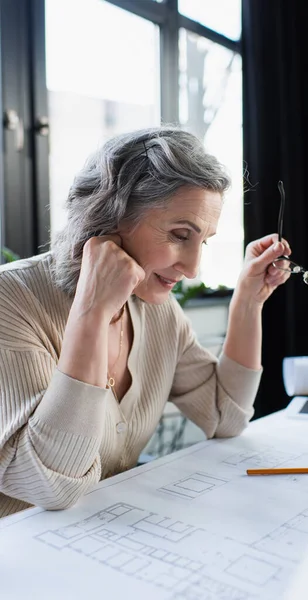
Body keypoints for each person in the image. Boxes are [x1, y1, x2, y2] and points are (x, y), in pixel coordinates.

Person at [0, 127, 291, 518]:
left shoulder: (156, 309)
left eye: (202, 241)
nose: (192, 268)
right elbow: (50, 485)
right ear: (111, 214)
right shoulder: (11, 299)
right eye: (179, 235)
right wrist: (92, 311)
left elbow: (224, 415)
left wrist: (248, 301)